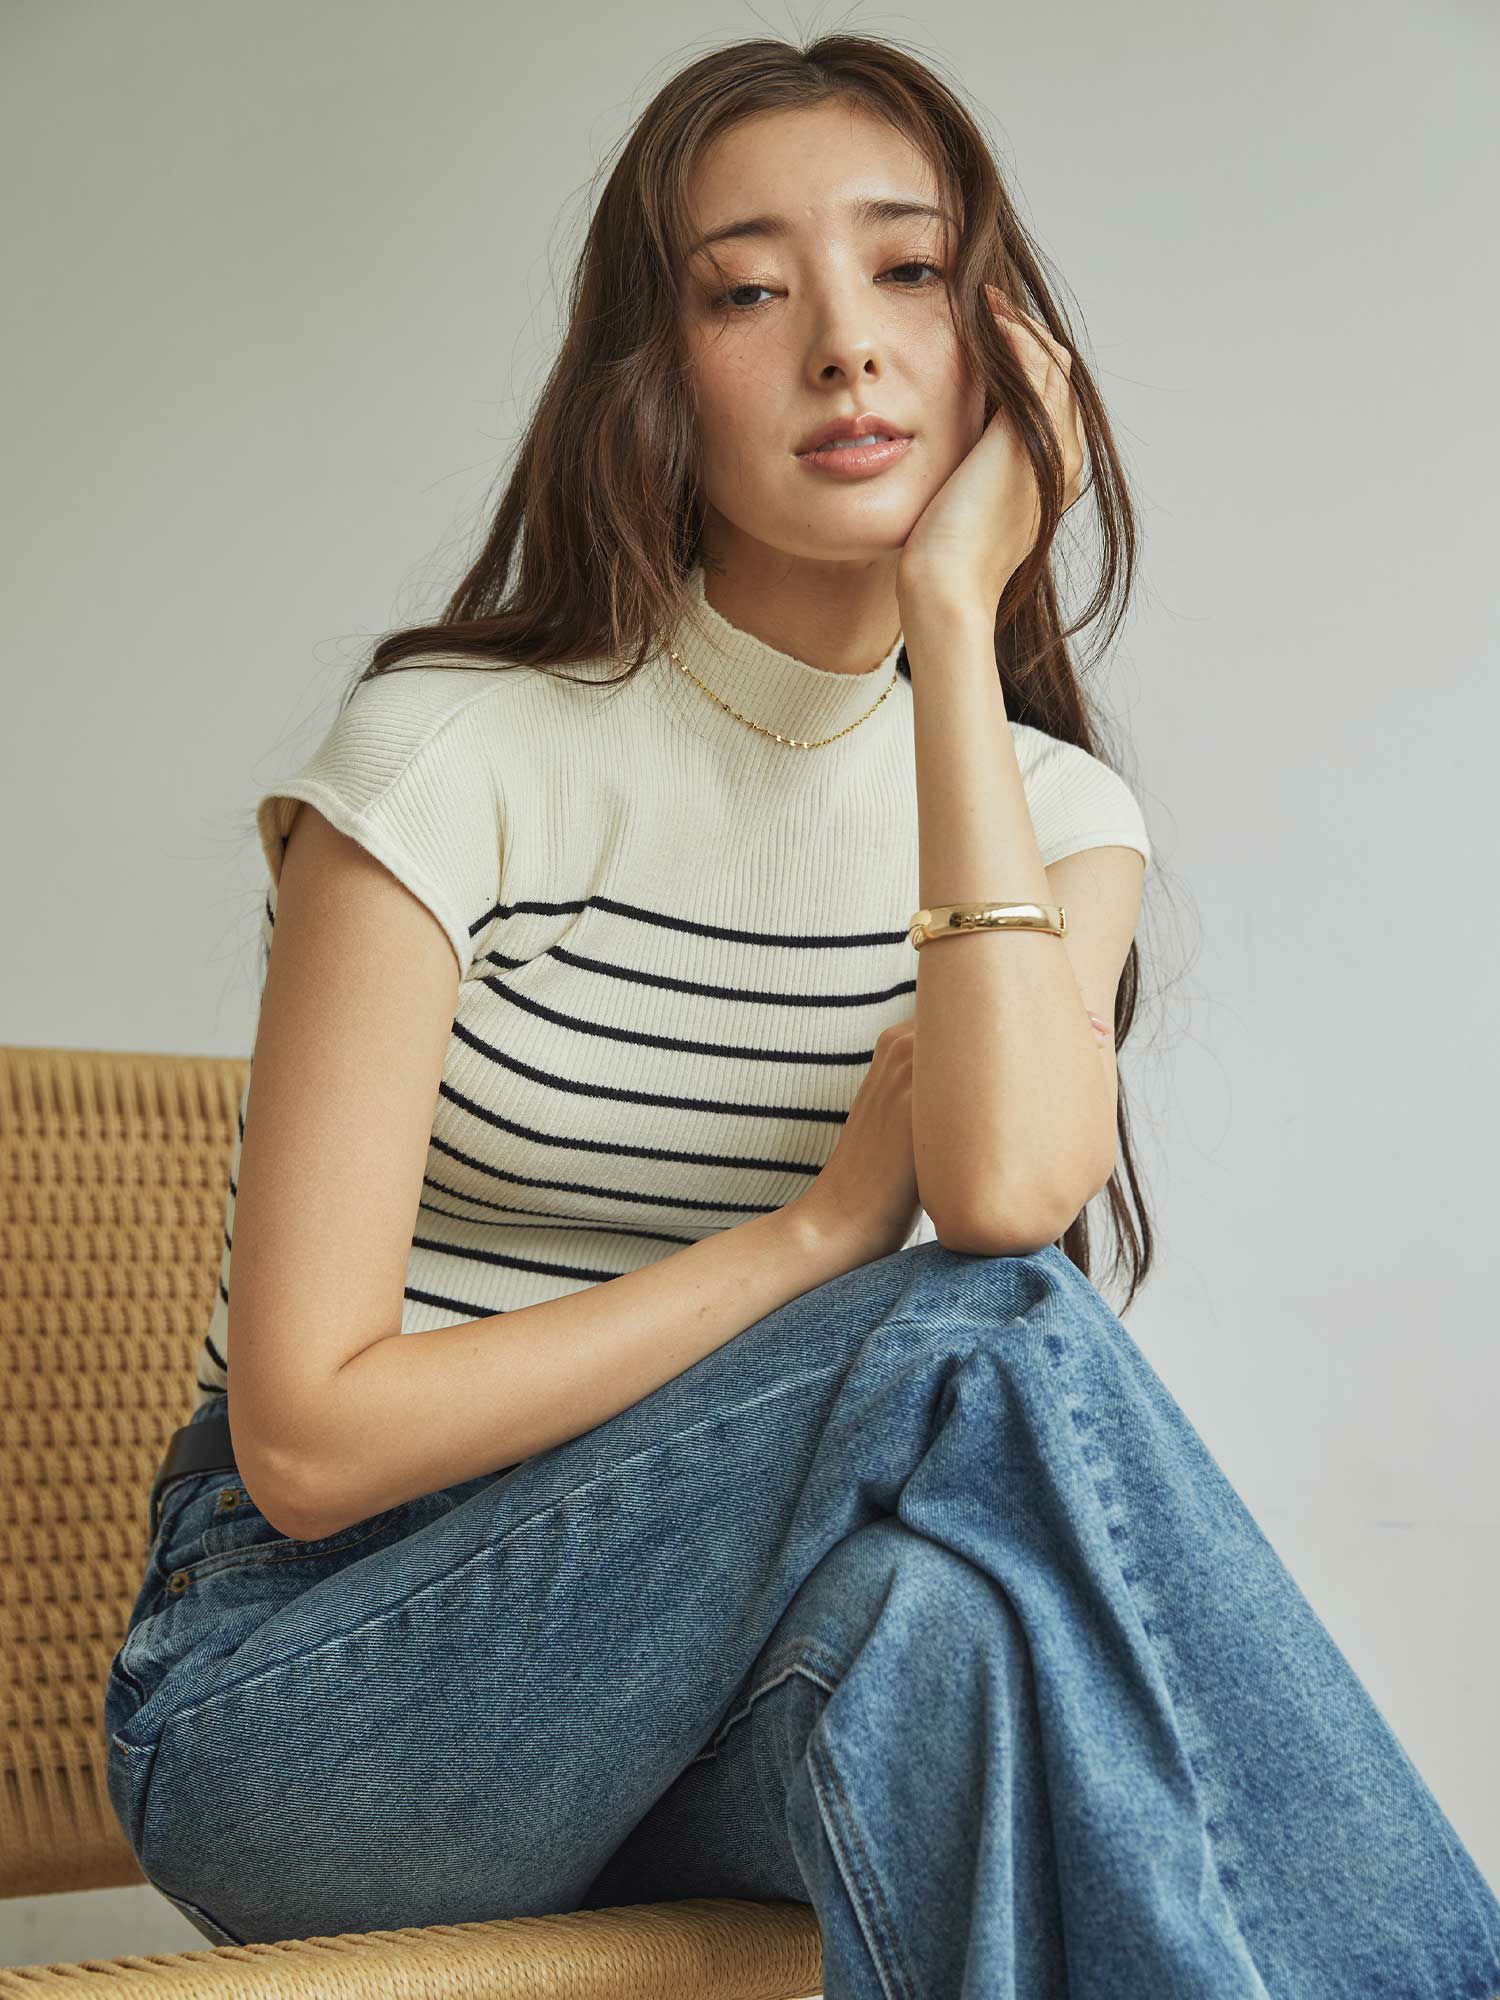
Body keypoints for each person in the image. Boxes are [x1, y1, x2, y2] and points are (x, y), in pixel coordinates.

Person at [103, 33, 1500, 1997]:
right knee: (979, 1344)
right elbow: (310, 1440)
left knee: (953, 1647)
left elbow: (1002, 1188)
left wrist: (950, 616)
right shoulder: (446, 766)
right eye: (749, 293)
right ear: (655, 378)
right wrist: (816, 1236)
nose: (847, 345)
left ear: (1005, 351)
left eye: (909, 272)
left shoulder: (1055, 822)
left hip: (683, 1717)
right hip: (309, 1700)